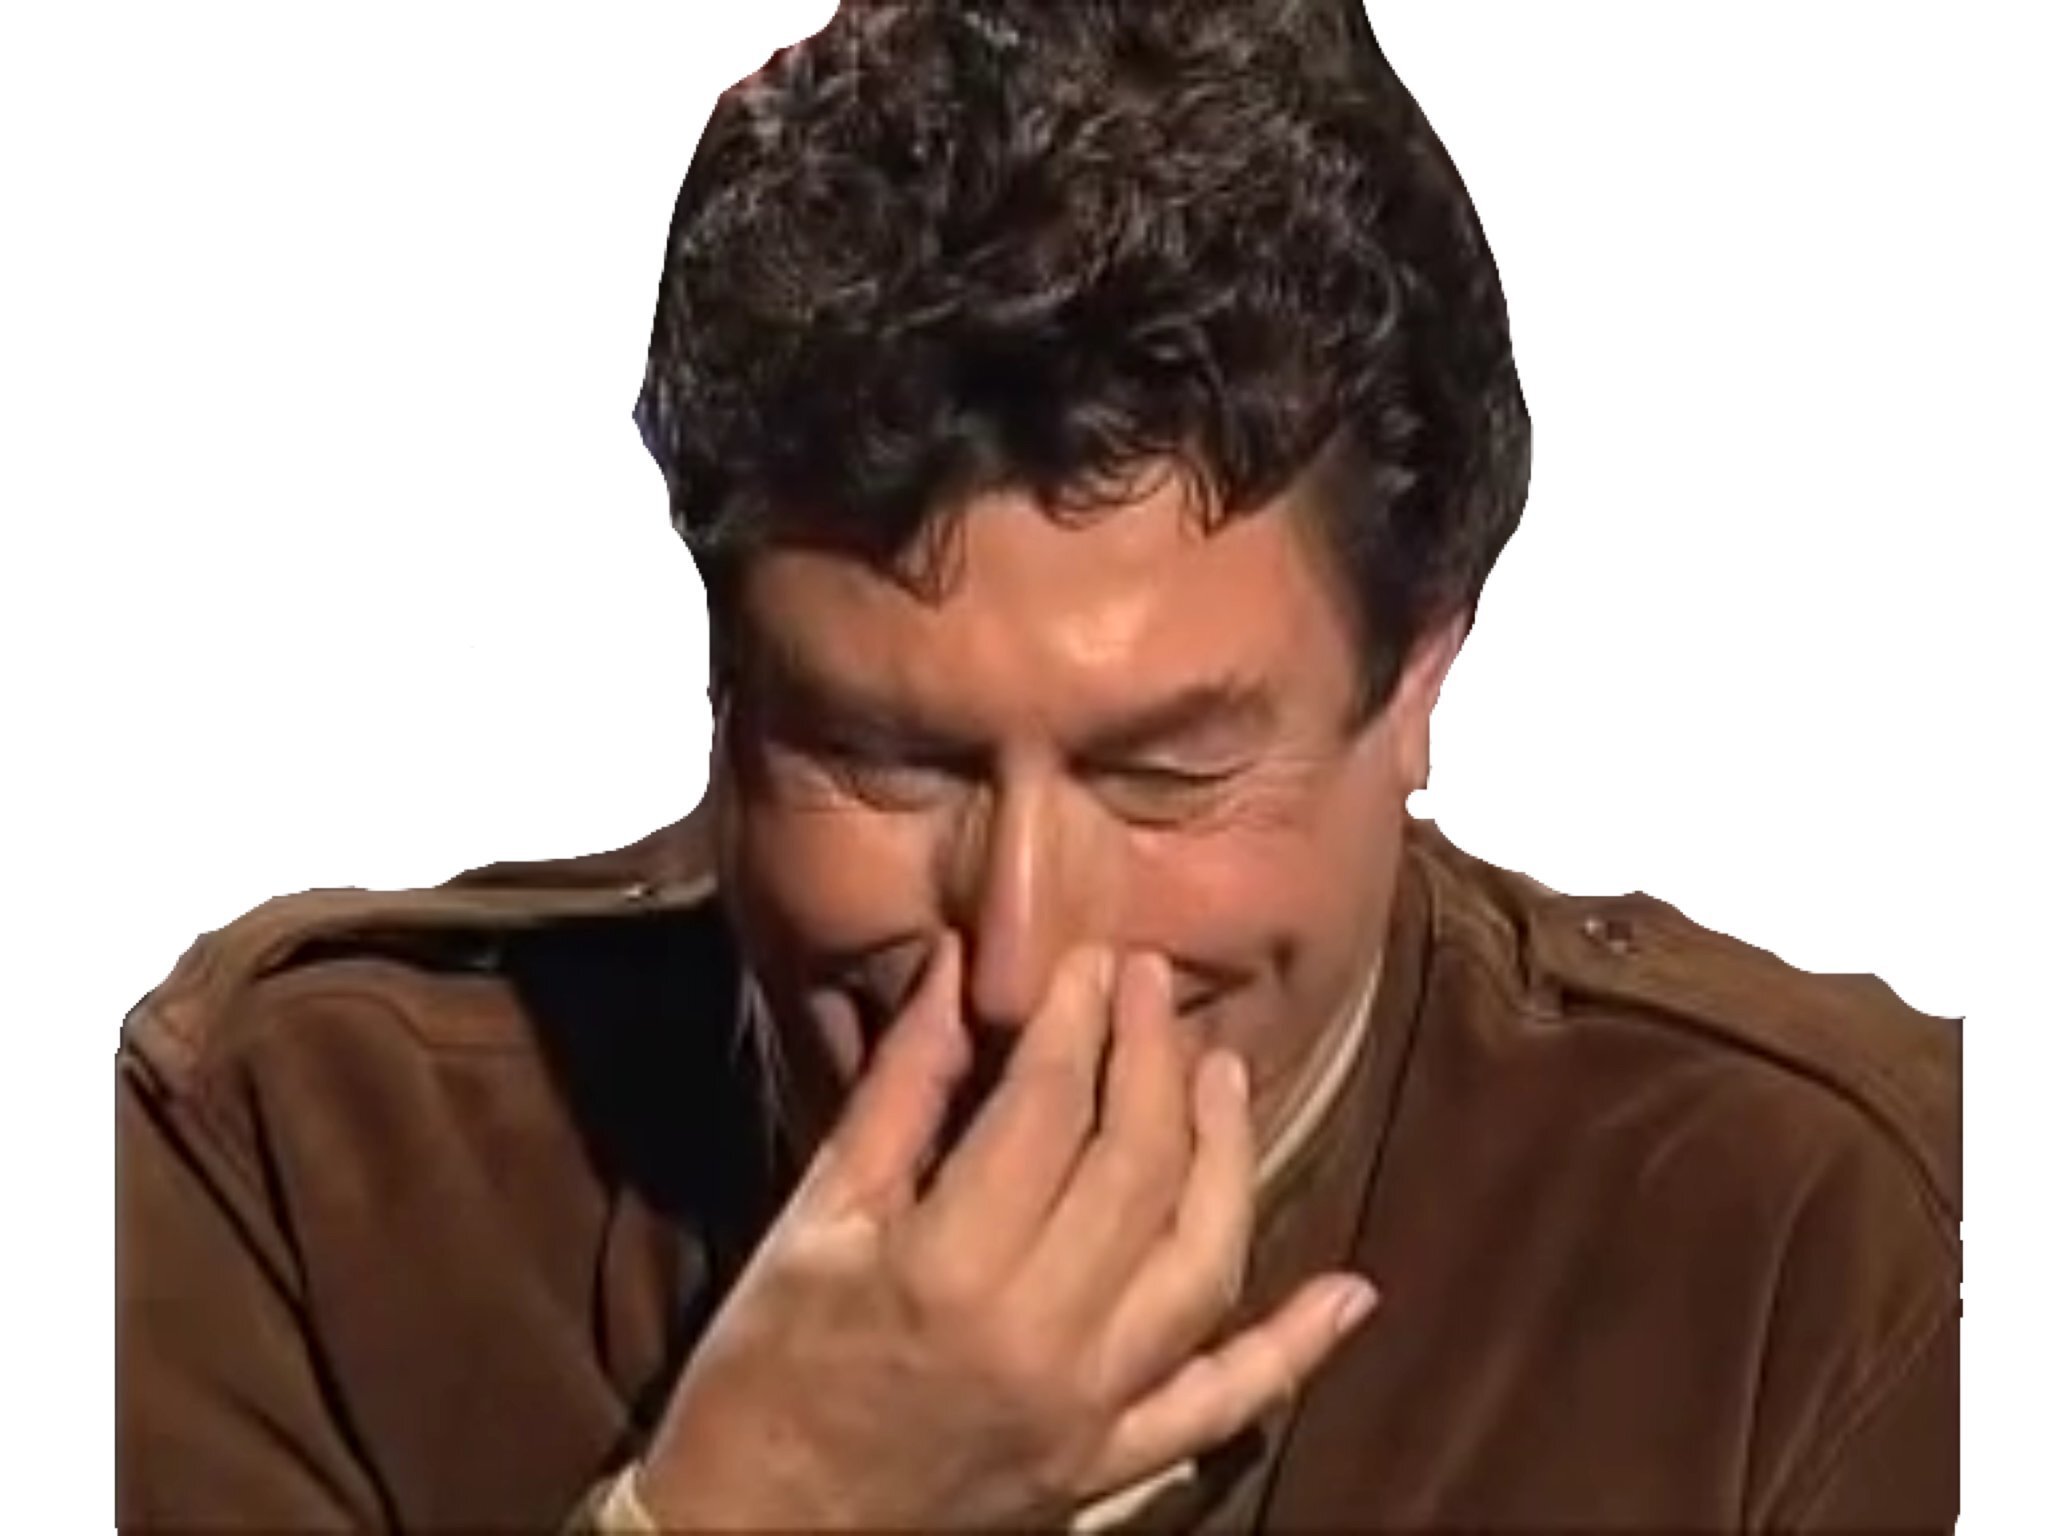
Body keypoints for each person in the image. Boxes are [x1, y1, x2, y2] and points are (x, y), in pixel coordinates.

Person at [115, 1, 1960, 1530]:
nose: (1016, 962)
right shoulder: (296, 1166)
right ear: (724, 689)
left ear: (1419, 681)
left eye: (1167, 780)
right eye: (886, 764)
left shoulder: (1830, 1246)